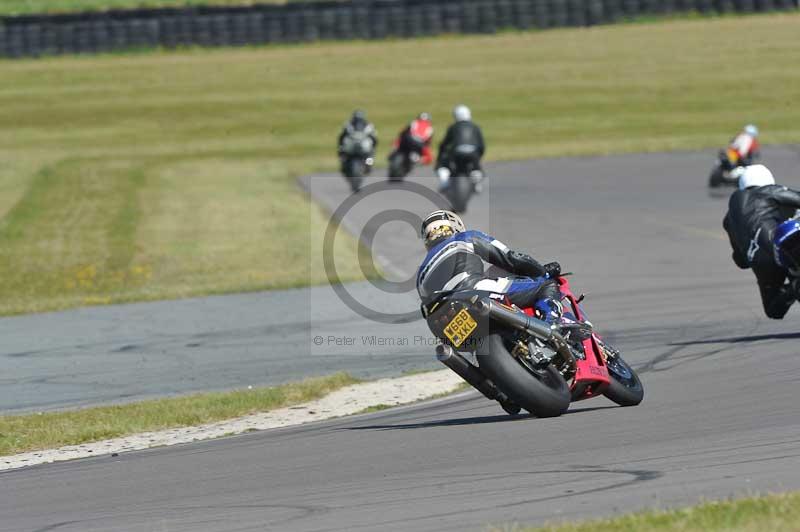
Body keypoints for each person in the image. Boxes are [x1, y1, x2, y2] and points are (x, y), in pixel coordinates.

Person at [417, 210, 563, 324]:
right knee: (546, 284)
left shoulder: (421, 274)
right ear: (455, 226)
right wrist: (543, 272)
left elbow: (426, 309)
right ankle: (550, 321)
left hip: (441, 318)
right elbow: (512, 258)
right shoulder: (465, 237)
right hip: (474, 291)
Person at [723, 164, 800, 319]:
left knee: (773, 310)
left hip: (760, 262)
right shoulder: (768, 191)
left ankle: (794, 288)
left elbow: (741, 262)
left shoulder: (729, 219)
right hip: (783, 248)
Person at [436, 105, 486, 192]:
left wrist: (440, 158)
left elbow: (445, 144)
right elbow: (481, 145)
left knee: (443, 165)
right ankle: (477, 184)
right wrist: (478, 157)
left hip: (456, 153)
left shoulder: (453, 127)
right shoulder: (475, 127)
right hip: (473, 154)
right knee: (477, 168)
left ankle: (444, 183)